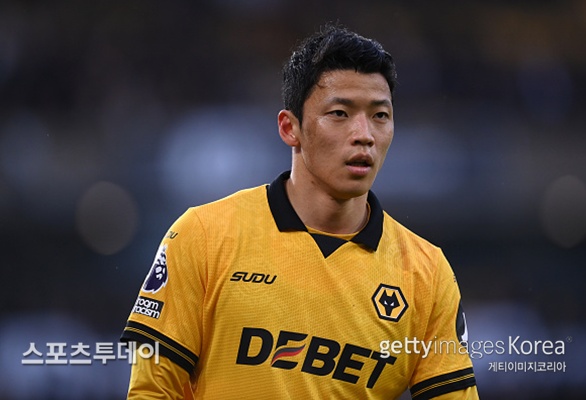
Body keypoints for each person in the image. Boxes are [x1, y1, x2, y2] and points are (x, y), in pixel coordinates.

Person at [120, 24, 479, 399]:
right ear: (290, 128)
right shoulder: (204, 235)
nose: (364, 134)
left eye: (380, 116)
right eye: (340, 113)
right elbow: (152, 392)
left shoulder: (426, 273)